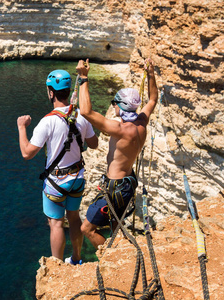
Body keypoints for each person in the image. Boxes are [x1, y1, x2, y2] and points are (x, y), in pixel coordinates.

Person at [17, 69, 99, 264]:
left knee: (55, 223)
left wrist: (21, 127)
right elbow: (94, 144)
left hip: (56, 182)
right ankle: (77, 258)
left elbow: (27, 153)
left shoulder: (47, 122)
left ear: (51, 92)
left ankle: (57, 266)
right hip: (77, 178)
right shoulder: (81, 115)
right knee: (74, 218)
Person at [76, 58, 158, 249]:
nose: (113, 106)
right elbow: (153, 98)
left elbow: (86, 111)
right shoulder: (142, 123)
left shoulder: (120, 129)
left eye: (115, 103)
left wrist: (83, 77)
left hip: (113, 188)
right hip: (128, 184)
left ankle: (109, 256)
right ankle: (121, 255)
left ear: (120, 106)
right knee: (116, 227)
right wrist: (151, 73)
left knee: (86, 229)